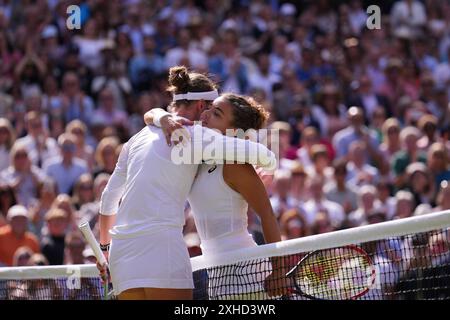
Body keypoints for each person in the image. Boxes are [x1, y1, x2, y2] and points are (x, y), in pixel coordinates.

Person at [97, 66, 276, 300]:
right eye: (211, 109)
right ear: (202, 106)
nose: (207, 116)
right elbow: (265, 155)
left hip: (123, 254)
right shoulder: (196, 136)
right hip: (164, 250)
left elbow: (108, 199)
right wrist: (270, 169)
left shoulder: (136, 138)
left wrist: (104, 251)